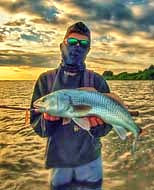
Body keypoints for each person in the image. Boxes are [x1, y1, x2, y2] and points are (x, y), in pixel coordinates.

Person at [30, 22, 113, 190]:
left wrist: (98, 127)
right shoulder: (45, 80)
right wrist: (48, 120)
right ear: (62, 45)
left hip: (91, 161)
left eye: (83, 44)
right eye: (72, 42)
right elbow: (38, 126)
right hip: (59, 163)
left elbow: (108, 124)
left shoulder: (97, 81)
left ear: (88, 50)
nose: (77, 47)